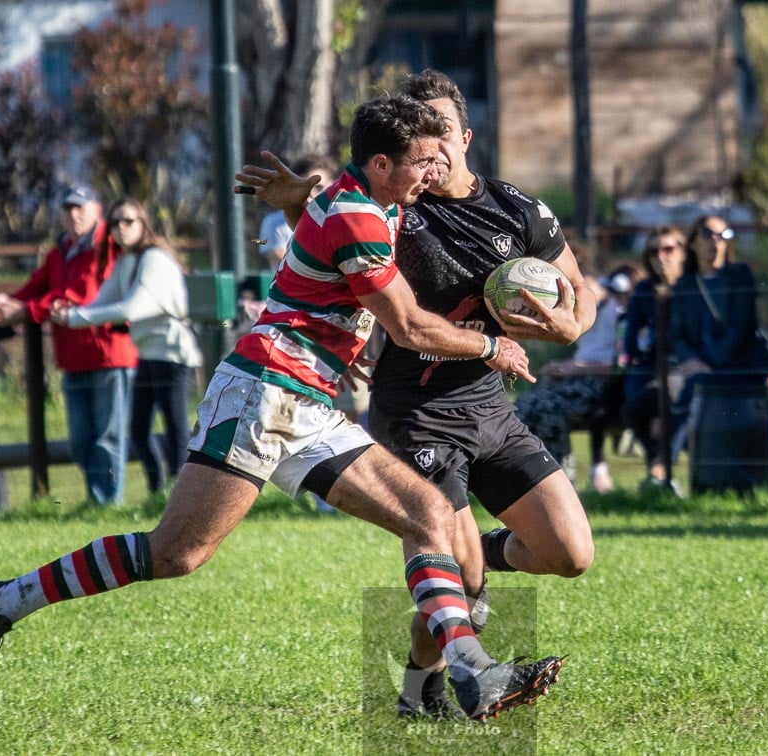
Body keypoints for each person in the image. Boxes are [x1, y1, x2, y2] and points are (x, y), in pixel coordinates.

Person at [0, 94, 564, 723]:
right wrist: (492, 345)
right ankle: (0, 602)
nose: (431, 173)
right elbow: (408, 325)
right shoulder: (357, 215)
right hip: (262, 392)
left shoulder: (372, 199)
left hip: (305, 401)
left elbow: (326, 241)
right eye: (421, 161)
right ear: (382, 164)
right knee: (176, 553)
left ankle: (471, 672)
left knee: (427, 512)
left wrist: (305, 214)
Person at [237, 69, 596, 721]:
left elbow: (578, 284)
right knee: (465, 595)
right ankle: (416, 694)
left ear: (466, 135)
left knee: (570, 554)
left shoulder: (517, 208)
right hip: (416, 413)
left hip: (491, 409)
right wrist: (296, 207)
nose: (433, 151)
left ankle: (472, 559)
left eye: (443, 132)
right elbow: (331, 241)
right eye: (421, 137)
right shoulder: (394, 204)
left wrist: (574, 323)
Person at [0, 185, 138, 504]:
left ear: (97, 210)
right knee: (80, 441)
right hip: (72, 358)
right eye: (68, 208)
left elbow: (80, 297)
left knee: (108, 438)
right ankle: (97, 500)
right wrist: (6, 304)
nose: (74, 214)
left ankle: (107, 504)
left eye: (81, 207)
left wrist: (24, 311)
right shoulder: (60, 251)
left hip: (109, 355)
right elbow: (36, 287)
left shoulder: (108, 247)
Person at [51, 198, 202, 495]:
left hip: (173, 355)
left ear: (143, 224)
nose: (121, 228)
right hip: (147, 354)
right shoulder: (126, 261)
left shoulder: (155, 258)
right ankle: (158, 491)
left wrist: (75, 318)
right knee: (138, 430)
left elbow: (132, 308)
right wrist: (70, 313)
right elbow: (101, 303)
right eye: (115, 222)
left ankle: (182, 493)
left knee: (175, 427)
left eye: (129, 221)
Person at [515, 263, 641, 493]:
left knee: (548, 410)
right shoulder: (581, 315)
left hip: (602, 385)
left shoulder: (618, 313)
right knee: (523, 406)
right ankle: (530, 483)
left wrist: (575, 368)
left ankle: (562, 484)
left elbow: (622, 364)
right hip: (575, 380)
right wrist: (565, 368)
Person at [670, 215, 768, 455]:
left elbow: (740, 329)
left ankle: (664, 461)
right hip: (697, 365)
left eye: (723, 235)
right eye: (708, 234)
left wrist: (708, 364)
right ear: (693, 242)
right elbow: (677, 335)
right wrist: (691, 360)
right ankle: (667, 458)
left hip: (736, 364)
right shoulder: (685, 285)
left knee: (694, 387)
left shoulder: (740, 276)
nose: (715, 241)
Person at [622, 226, 687, 493]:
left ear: (683, 252)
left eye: (668, 249)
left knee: (667, 399)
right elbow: (631, 337)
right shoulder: (643, 290)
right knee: (635, 408)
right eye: (653, 251)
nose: (661, 256)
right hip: (648, 367)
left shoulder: (690, 286)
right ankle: (659, 472)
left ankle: (660, 469)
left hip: (683, 365)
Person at [256, 154, 338, 271]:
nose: (310, 193)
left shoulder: (342, 220)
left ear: (332, 186)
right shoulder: (273, 222)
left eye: (318, 187)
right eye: (303, 187)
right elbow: (287, 265)